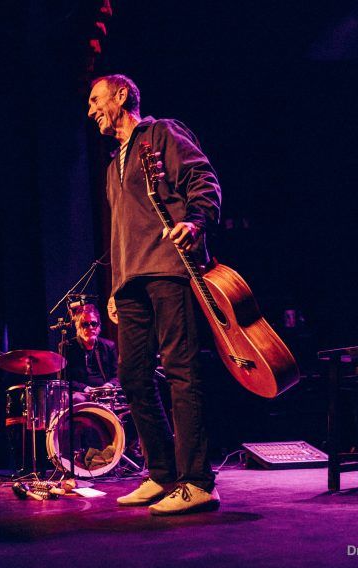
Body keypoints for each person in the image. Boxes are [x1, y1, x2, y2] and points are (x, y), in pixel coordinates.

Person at [87, 74, 221, 515]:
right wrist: (114, 286)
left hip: (168, 268)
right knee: (133, 377)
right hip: (131, 281)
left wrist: (197, 220)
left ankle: (198, 481)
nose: (90, 110)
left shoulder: (161, 132)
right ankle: (163, 473)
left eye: (95, 100)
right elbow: (120, 234)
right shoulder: (112, 165)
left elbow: (202, 177)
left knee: (182, 370)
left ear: (121, 96)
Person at [61, 304, 119, 396]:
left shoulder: (109, 346)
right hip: (81, 394)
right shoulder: (68, 347)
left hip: (105, 393)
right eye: (85, 324)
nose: (90, 328)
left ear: (98, 325)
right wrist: (84, 388)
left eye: (93, 323)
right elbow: (63, 380)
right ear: (78, 326)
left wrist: (109, 385)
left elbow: (117, 375)